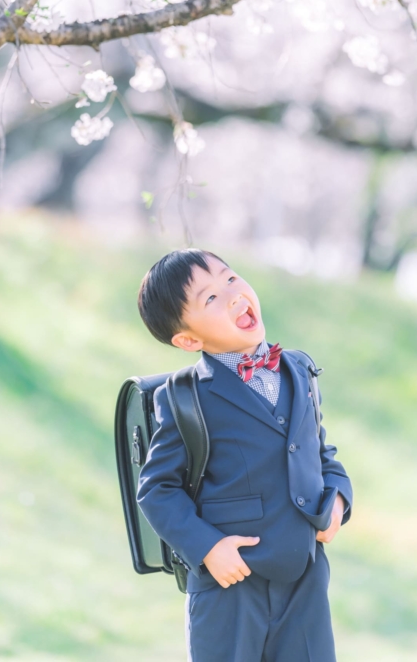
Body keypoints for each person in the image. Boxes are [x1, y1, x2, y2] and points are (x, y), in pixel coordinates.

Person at [136, 248, 352, 662]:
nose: (232, 294)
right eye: (211, 298)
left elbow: (318, 450)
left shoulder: (298, 369)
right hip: (231, 585)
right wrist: (208, 549)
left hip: (304, 577)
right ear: (189, 339)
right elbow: (157, 489)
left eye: (230, 278)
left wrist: (339, 496)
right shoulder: (186, 398)